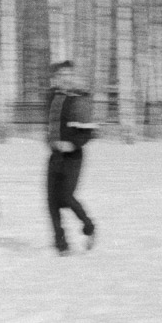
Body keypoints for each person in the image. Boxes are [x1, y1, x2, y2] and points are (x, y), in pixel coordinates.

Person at [45, 60, 98, 254]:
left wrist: (72, 143)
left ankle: (89, 227)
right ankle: (61, 245)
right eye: (61, 76)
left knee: (66, 197)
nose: (65, 79)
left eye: (69, 75)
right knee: (52, 202)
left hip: (73, 157)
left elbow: (89, 132)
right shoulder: (52, 98)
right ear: (55, 78)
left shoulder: (79, 100)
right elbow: (51, 125)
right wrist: (50, 140)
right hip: (55, 155)